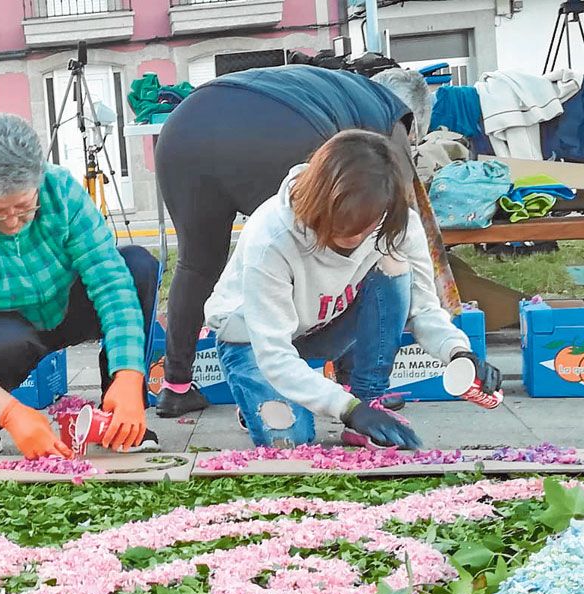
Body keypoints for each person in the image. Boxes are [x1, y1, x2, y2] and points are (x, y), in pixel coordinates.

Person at [152, 64, 431, 417]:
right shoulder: (393, 122)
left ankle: (175, 386)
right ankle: (348, 386)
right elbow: (395, 219)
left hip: (183, 129)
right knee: (326, 248)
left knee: (196, 264)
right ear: (415, 122)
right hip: (278, 135)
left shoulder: (341, 87)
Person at [203, 129, 502, 450]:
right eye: (341, 230)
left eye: (364, 229)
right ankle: (257, 398)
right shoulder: (272, 237)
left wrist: (460, 353)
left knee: (393, 266)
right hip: (253, 341)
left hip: (321, 327)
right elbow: (273, 353)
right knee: (290, 442)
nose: (354, 240)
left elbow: (423, 310)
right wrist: (347, 410)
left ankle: (369, 396)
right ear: (321, 202)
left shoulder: (396, 223)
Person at [0, 113, 160, 458]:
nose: (13, 222)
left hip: (68, 304)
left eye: (23, 207)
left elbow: (110, 284)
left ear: (38, 181)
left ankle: (122, 410)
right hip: (8, 325)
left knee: (137, 265)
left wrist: (129, 374)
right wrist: (13, 414)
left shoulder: (61, 192)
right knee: (0, 346)